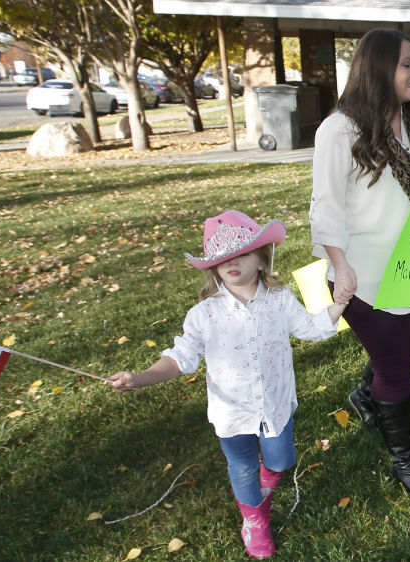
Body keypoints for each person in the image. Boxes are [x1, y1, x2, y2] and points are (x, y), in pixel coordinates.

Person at [109, 210, 351, 559]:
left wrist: (340, 303)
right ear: (213, 266)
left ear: (262, 258)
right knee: (241, 467)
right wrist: (141, 378)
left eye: (243, 254)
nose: (233, 263)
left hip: (275, 404)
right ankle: (254, 520)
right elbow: (180, 358)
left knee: (280, 461)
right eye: (224, 258)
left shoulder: (280, 300)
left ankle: (263, 494)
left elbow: (311, 329)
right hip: (232, 413)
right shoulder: (204, 314)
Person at [308, 28, 410, 499]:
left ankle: (364, 394)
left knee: (407, 347)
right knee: (396, 367)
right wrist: (340, 266)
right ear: (378, 68)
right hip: (365, 273)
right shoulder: (340, 130)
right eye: (407, 65)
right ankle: (407, 463)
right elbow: (325, 206)